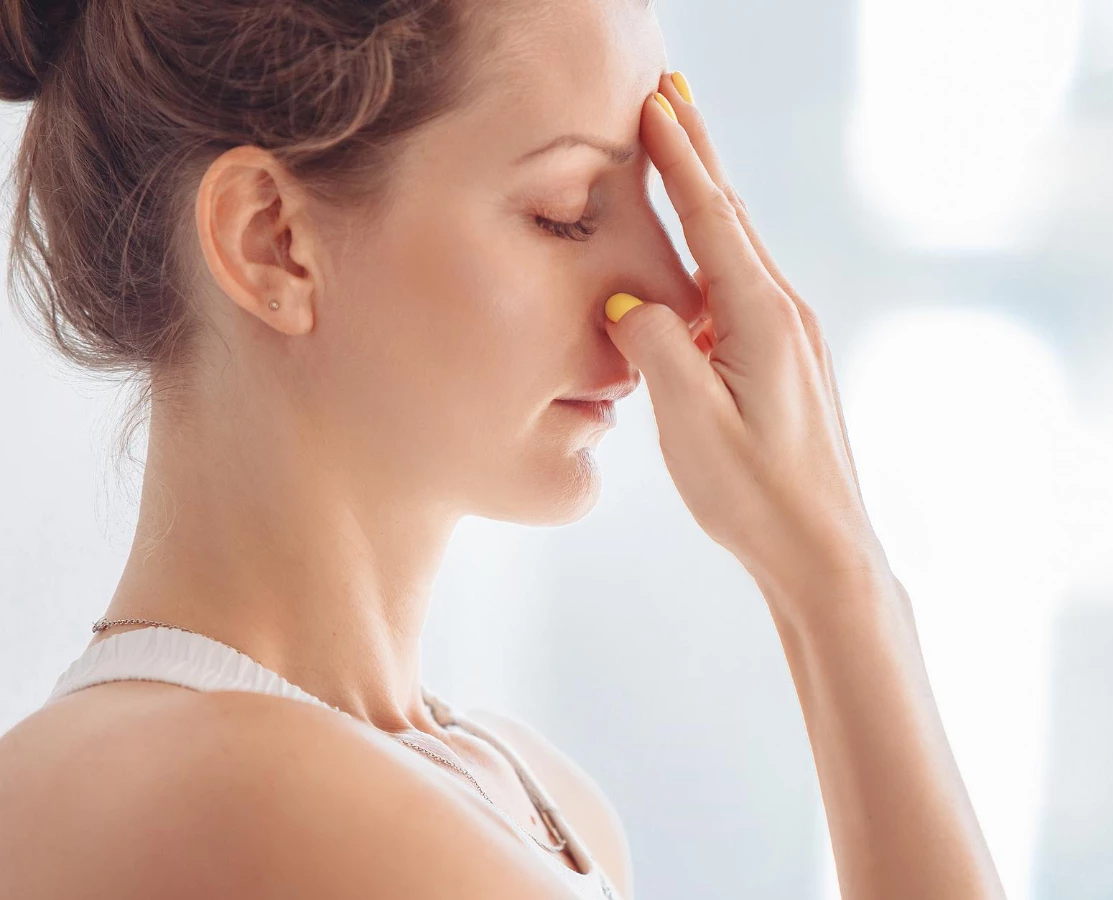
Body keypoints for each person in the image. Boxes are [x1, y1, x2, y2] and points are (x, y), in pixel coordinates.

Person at [0, 0, 1005, 897]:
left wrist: (831, 578)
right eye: (566, 214)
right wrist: (833, 579)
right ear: (273, 242)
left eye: (664, 193)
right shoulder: (252, 799)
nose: (678, 289)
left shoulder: (534, 802)